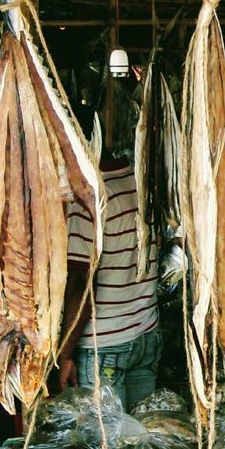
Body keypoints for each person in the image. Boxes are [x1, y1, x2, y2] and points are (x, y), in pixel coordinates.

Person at [56, 155, 162, 411]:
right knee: (139, 443)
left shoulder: (89, 198)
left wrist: (64, 354)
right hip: (146, 334)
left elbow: (82, 284)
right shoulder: (138, 180)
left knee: (107, 446)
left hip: (103, 347)